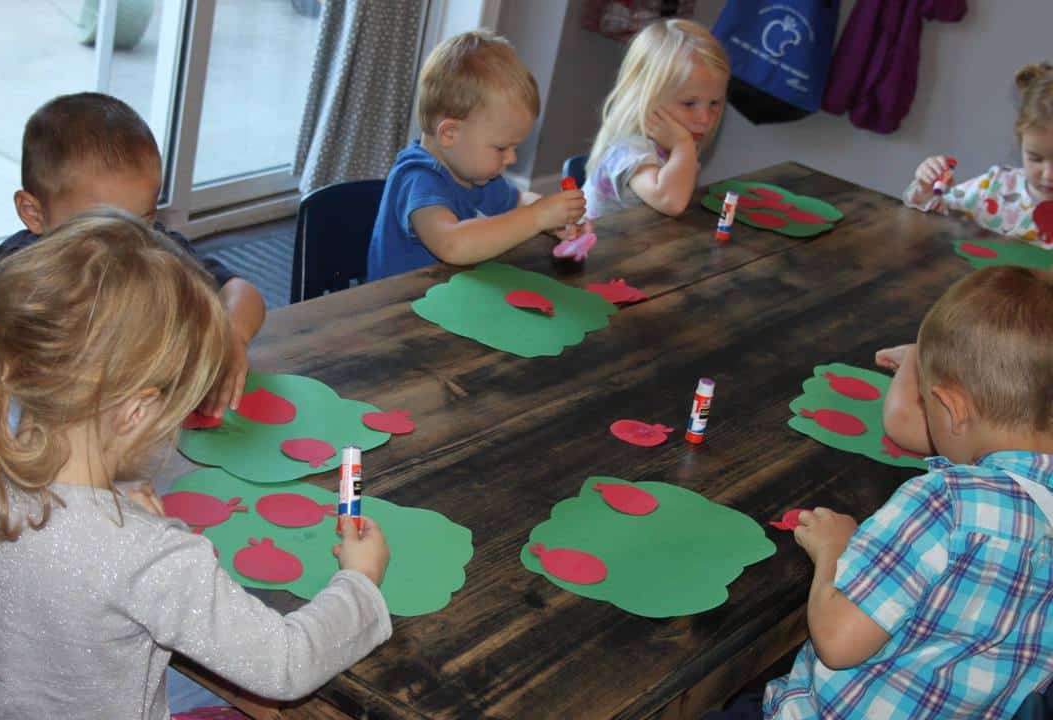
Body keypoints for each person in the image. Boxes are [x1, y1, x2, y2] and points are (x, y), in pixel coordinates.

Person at [0, 211, 392, 720]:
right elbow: (285, 663)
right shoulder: (153, 558)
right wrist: (360, 583)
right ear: (136, 412)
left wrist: (118, 500)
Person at [752, 267, 1053, 719]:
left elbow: (837, 642)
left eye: (928, 408)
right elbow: (944, 431)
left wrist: (836, 550)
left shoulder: (945, 504)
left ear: (951, 408)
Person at [0, 92, 266, 418]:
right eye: (101, 227)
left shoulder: (152, 250)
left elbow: (241, 292)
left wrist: (231, 336)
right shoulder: (8, 276)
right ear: (34, 213)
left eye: (143, 220)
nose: (126, 243)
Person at [366, 30, 587, 282]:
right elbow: (453, 244)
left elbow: (517, 201)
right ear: (450, 134)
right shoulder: (418, 179)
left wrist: (555, 216)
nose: (512, 159)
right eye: (501, 148)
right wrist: (538, 216)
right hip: (400, 313)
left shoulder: (476, 173)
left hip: (454, 297)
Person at [582, 19, 730, 220]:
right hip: (595, 248)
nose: (704, 118)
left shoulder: (677, 145)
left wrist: (682, 147)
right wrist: (682, 146)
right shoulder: (630, 150)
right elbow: (671, 202)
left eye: (714, 103)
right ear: (646, 98)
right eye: (688, 104)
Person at [903, 62, 1053, 247]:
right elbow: (936, 214)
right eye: (1035, 158)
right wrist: (926, 189)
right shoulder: (994, 187)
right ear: (1021, 143)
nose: (1048, 174)